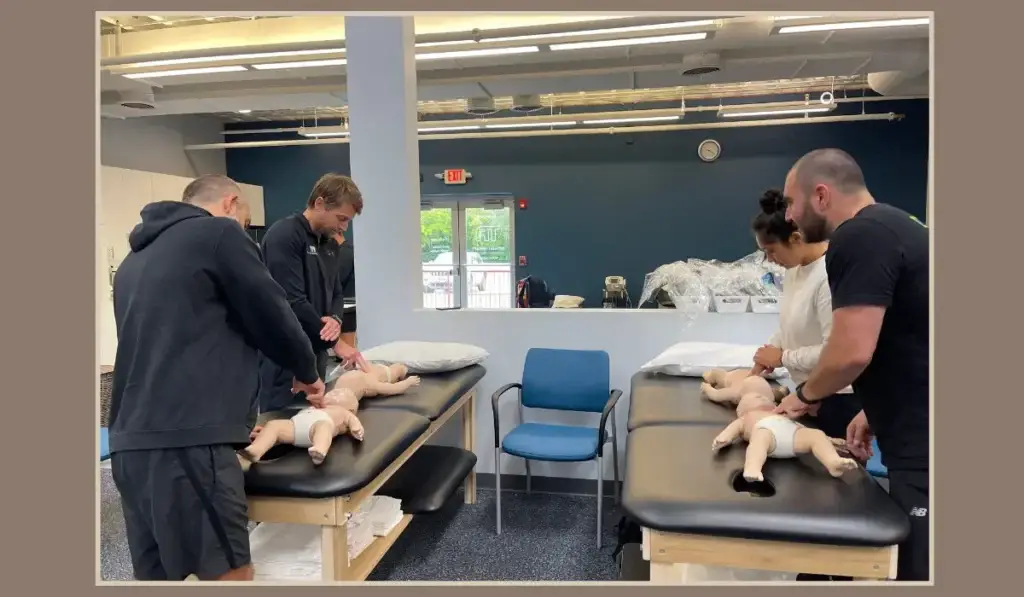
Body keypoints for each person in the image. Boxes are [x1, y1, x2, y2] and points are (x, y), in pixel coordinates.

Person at [108, 174, 327, 581]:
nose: (243, 231)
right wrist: (309, 375)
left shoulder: (133, 261)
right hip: (190, 439)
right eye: (245, 222)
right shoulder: (219, 234)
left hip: (128, 443)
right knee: (229, 572)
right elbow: (273, 313)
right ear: (230, 204)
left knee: (161, 576)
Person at [773, 149, 930, 582]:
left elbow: (850, 352)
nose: (788, 216)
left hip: (925, 442)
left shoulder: (857, 236)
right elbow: (915, 337)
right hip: (911, 425)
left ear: (820, 195)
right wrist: (872, 411)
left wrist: (802, 396)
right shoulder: (899, 225)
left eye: (791, 203)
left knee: (921, 569)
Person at [749, 188, 863, 440]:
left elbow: (835, 350)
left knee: (838, 470)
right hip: (808, 391)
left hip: (839, 397)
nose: (769, 260)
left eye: (771, 251)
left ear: (796, 238)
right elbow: (789, 323)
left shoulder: (828, 276)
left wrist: (783, 357)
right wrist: (769, 352)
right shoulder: (795, 270)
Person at [258, 173, 369, 412]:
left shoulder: (328, 244)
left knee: (313, 423)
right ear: (320, 203)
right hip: (285, 354)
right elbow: (291, 300)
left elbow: (336, 293)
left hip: (315, 353)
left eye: (347, 221)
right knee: (281, 428)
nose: (343, 227)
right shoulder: (285, 235)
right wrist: (337, 343)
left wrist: (336, 320)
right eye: (341, 218)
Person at [320, 230, 357, 349]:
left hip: (346, 309)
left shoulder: (345, 252)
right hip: (344, 308)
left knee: (348, 354)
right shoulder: (346, 251)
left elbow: (335, 280)